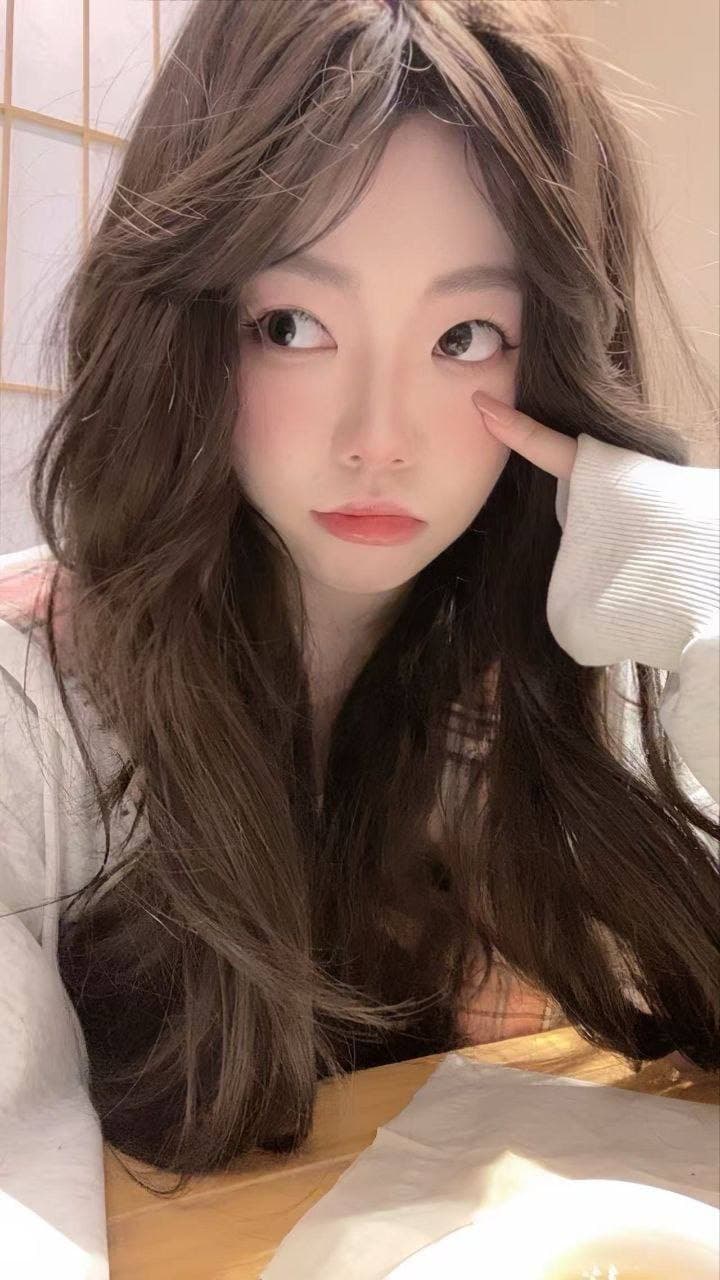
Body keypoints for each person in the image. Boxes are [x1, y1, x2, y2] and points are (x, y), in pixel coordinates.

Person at [1, 1, 718, 1275]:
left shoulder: (565, 656)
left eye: (464, 337)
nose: (378, 437)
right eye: (292, 326)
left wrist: (710, 594)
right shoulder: (34, 699)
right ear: (183, 328)